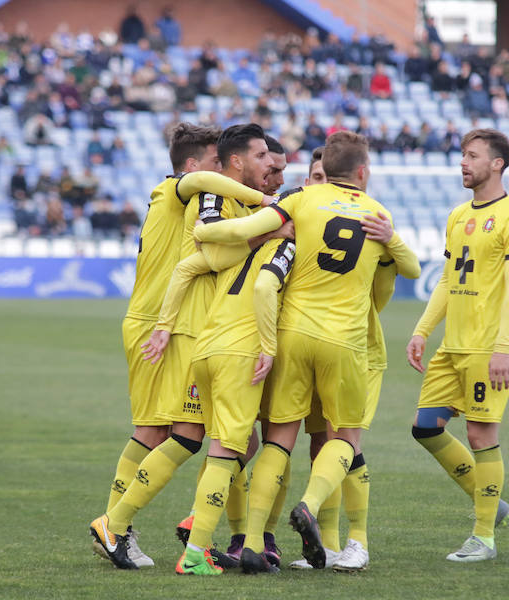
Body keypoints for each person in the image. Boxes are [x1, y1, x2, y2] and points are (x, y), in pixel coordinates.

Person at [190, 131, 418, 572]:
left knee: (280, 437)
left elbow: (243, 229)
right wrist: (390, 237)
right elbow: (409, 269)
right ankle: (319, 513)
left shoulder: (300, 201)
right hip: (346, 339)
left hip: (292, 335)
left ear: (322, 171)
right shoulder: (377, 213)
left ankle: (254, 540)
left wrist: (205, 229)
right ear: (363, 172)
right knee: (345, 438)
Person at [89, 123, 276, 570]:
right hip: (166, 328)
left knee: (222, 438)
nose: (220, 174)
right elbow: (206, 191)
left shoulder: (191, 206)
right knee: (179, 434)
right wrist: (267, 205)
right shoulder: (174, 190)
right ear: (194, 166)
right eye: (215, 163)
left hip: (170, 326)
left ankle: (179, 526)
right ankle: (117, 525)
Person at [407, 129, 509, 563]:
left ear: (497, 164)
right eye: (463, 154)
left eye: (473, 155)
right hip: (453, 346)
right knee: (425, 426)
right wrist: (423, 330)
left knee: (481, 435)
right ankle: (491, 502)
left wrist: (503, 347)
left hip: (488, 348)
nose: (463, 162)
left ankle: (484, 537)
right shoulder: (458, 214)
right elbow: (447, 279)